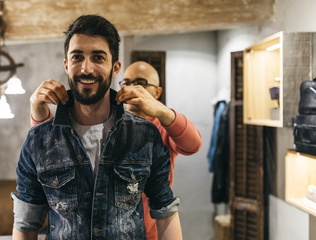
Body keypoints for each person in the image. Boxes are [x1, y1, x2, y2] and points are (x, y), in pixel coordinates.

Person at [12, 15, 182, 240]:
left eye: (98, 58)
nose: (86, 68)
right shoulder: (38, 140)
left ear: (115, 67)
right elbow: (26, 223)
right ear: (66, 64)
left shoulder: (145, 135)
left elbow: (166, 211)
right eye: (77, 57)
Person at [29, 60, 202, 240]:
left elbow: (193, 145)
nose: (133, 88)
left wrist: (161, 111)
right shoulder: (107, 126)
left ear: (157, 92)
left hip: (152, 232)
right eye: (126, 83)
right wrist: (37, 110)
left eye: (141, 83)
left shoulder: (161, 128)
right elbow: (49, 149)